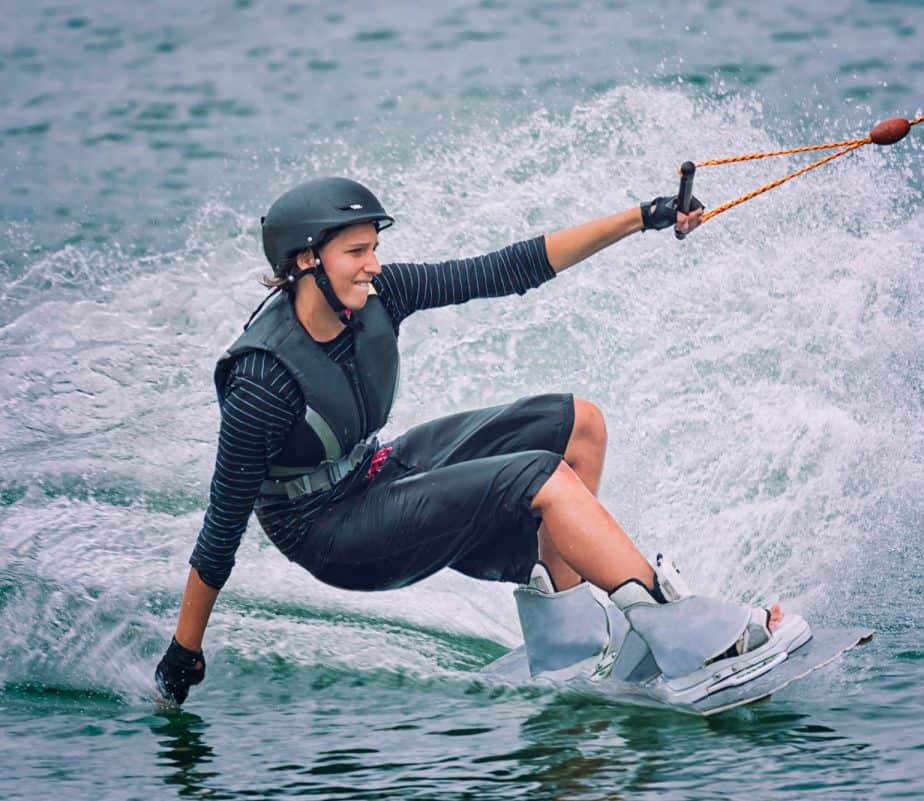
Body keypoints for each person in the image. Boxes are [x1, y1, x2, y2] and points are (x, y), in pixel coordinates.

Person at [155, 177, 810, 707]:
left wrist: (642, 217)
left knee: (579, 423)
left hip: (372, 473)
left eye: (373, 248)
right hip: (327, 532)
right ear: (306, 261)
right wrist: (186, 651)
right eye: (356, 252)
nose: (373, 265)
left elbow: (506, 269)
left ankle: (568, 642)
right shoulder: (262, 382)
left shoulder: (382, 294)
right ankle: (685, 634)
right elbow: (221, 529)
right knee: (540, 477)